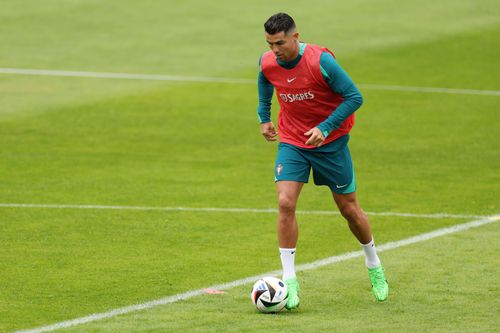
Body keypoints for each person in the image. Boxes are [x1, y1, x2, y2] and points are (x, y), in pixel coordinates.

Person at [257, 12, 388, 310]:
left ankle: (374, 264)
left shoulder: (320, 61)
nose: (275, 50)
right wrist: (264, 117)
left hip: (331, 144)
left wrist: (325, 127)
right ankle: (289, 279)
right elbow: (265, 83)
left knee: (349, 209)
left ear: (295, 37)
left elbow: (354, 97)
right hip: (293, 141)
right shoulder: (266, 61)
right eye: (269, 43)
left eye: (279, 43)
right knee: (285, 203)